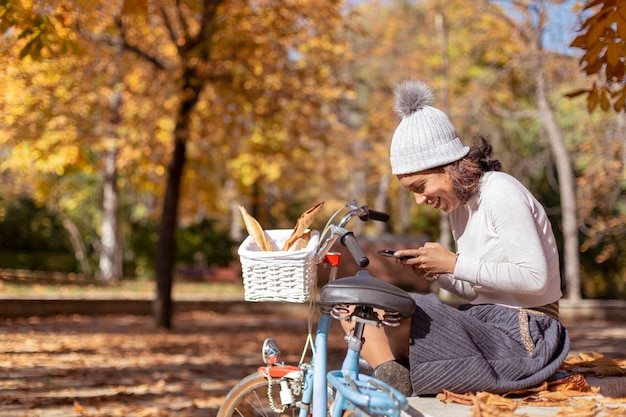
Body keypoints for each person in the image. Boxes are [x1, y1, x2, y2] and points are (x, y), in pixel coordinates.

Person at [356, 80, 570, 396]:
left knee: (386, 309)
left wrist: (454, 264)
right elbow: (476, 291)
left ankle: (395, 387)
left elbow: (535, 279)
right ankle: (394, 380)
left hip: (528, 336)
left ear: (448, 166)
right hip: (486, 324)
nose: (419, 200)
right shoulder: (461, 207)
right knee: (358, 309)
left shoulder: (500, 192)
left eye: (420, 187)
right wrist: (439, 272)